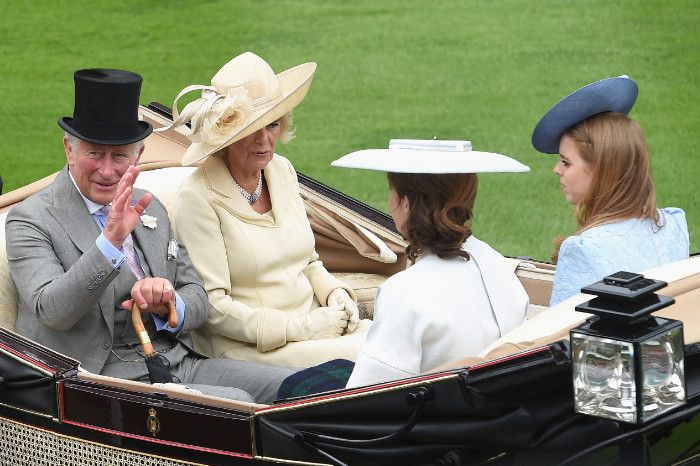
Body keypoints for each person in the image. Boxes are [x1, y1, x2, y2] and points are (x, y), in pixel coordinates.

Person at [5, 68, 296, 404]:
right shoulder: (30, 218)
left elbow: (197, 296)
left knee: (306, 384)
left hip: (175, 362)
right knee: (239, 405)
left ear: (138, 156)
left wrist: (170, 305)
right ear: (69, 149)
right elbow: (53, 311)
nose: (107, 170)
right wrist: (110, 243)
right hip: (96, 379)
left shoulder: (149, 206)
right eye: (94, 154)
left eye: (119, 156)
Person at [163, 52, 370, 367]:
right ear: (225, 135)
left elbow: (308, 262)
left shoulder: (282, 170)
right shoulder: (197, 197)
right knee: (367, 358)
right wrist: (301, 328)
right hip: (249, 346)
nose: (264, 140)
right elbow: (214, 309)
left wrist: (334, 294)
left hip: (315, 323)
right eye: (250, 129)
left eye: (272, 125)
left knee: (387, 339)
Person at [330, 139, 530, 388]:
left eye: (391, 191)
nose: (390, 202)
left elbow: (366, 395)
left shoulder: (405, 292)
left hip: (427, 418)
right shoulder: (497, 263)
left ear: (406, 203)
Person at [531, 76, 690, 306]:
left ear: (602, 170)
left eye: (566, 162)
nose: (556, 170)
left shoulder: (582, 250)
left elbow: (563, 336)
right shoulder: (672, 224)